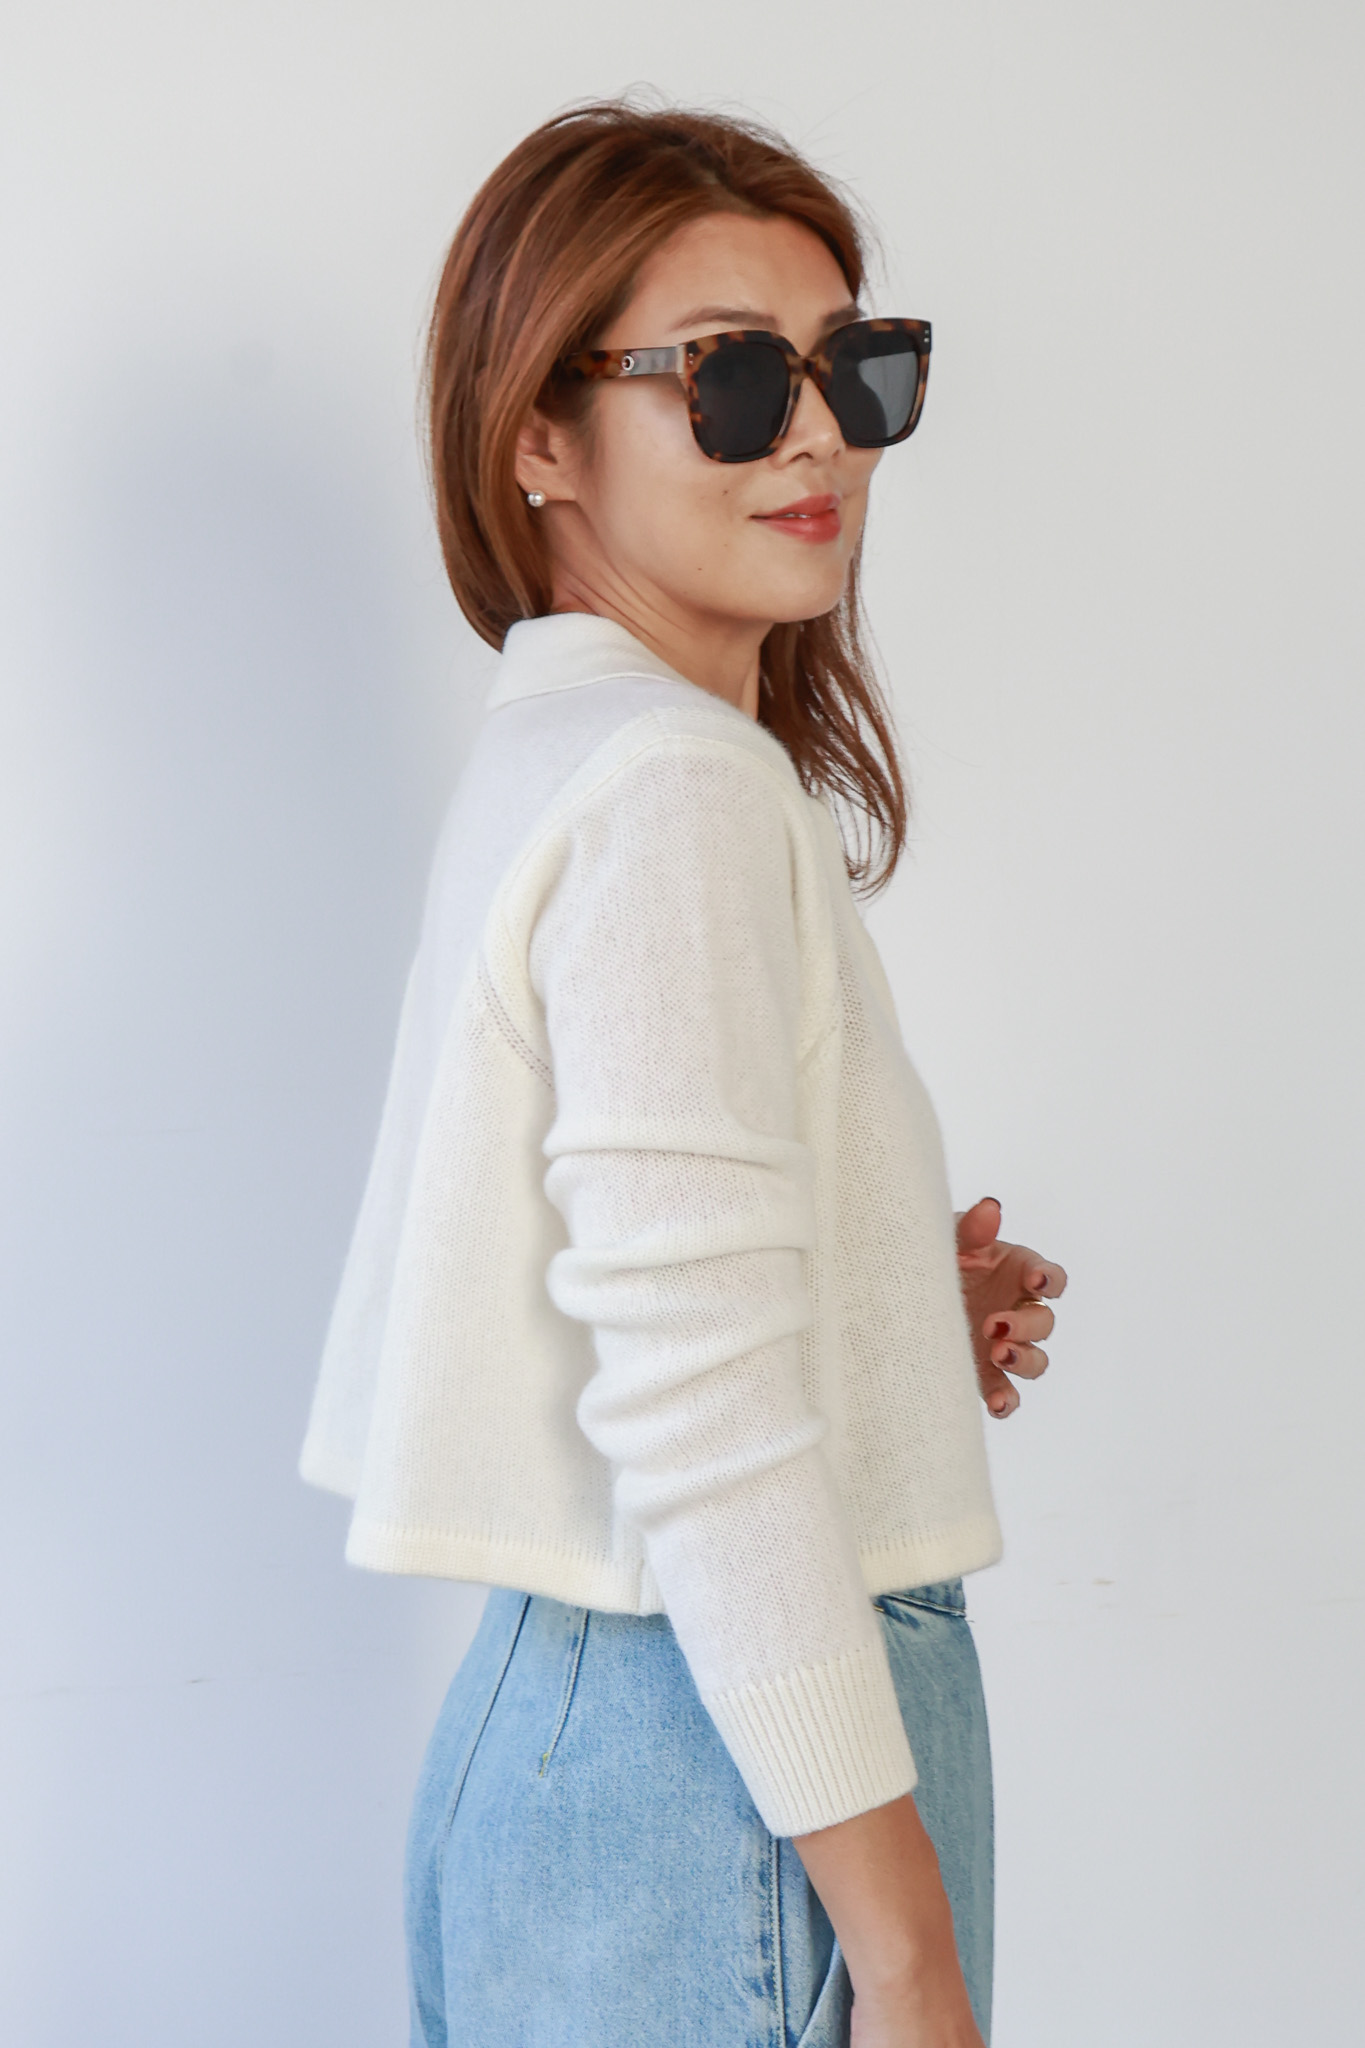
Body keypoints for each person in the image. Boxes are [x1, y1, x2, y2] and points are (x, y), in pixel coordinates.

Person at [299, 99, 1067, 2048]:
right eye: (729, 380)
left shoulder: (558, 757)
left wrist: (874, 1313)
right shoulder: (672, 791)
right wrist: (901, 1950)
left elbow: (629, 1306)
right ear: (536, 436)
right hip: (729, 1785)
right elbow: (702, 1412)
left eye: (853, 370)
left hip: (586, 1747)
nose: (815, 436)